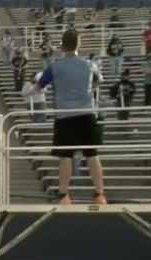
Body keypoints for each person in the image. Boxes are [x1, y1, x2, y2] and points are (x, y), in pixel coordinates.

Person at [32, 30, 106, 205]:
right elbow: (98, 81)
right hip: (87, 113)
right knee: (92, 155)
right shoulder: (90, 64)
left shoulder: (55, 67)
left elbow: (38, 86)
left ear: (62, 46)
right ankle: (99, 194)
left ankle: (64, 196)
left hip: (64, 116)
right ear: (78, 44)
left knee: (65, 156)